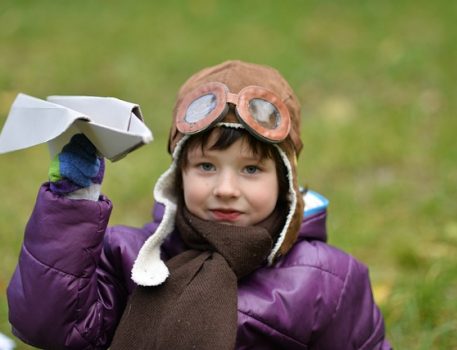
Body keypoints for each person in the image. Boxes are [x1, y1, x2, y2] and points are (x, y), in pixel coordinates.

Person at [7, 60, 391, 349]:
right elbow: (47, 324)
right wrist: (73, 200)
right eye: (206, 166)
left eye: (252, 169)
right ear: (178, 175)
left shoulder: (328, 280)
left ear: (285, 181)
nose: (225, 188)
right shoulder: (134, 259)